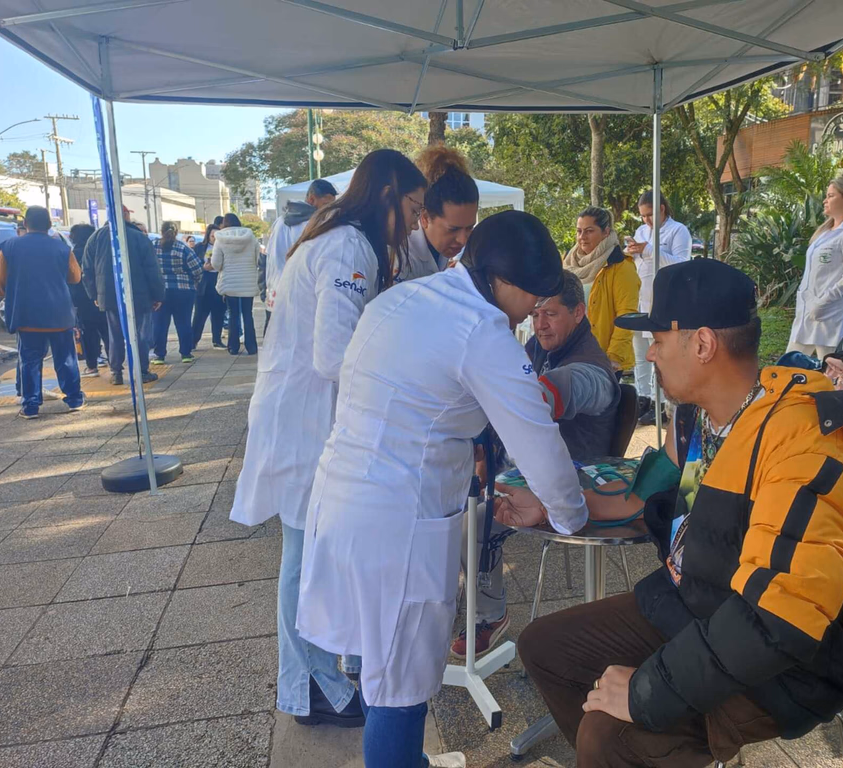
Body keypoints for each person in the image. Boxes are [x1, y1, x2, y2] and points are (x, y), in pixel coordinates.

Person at [516, 258, 843, 768]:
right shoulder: (696, 419)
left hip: (786, 665)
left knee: (610, 734)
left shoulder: (799, 446)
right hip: (695, 603)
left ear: (703, 344)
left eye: (659, 340)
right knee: (544, 648)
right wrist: (552, 505)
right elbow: (645, 499)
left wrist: (645, 691)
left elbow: (777, 620)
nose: (651, 353)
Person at [296, 211, 598, 768]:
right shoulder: (480, 330)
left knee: (380, 664)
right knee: (401, 685)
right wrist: (571, 515)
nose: (531, 311)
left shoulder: (403, 299)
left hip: (342, 500)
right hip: (399, 522)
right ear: (500, 280)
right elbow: (536, 438)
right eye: (530, 297)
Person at [229, 149, 427, 734]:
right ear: (388, 194)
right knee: (304, 558)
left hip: (303, 415)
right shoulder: (347, 247)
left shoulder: (338, 237)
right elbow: (335, 354)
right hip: (305, 421)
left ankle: (316, 679)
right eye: (413, 208)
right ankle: (313, 687)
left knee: (308, 554)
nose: (414, 222)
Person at [451, 269, 621, 659]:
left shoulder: (592, 368)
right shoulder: (541, 348)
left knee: (472, 521)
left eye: (551, 314)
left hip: (576, 486)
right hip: (525, 472)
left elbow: (554, 391)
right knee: (442, 493)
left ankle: (490, 614)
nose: (540, 324)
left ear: (578, 313)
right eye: (536, 314)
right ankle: (451, 599)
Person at [0, 206, 85, 419]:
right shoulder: (62, 248)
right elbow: (75, 277)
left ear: (25, 223)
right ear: (50, 225)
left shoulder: (9, 246)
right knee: (65, 358)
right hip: (59, 314)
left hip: (26, 314)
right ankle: (74, 399)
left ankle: (31, 406)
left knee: (30, 360)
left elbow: (1, 282)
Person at [626, 189, 692, 426]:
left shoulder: (678, 231)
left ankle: (660, 402)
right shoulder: (642, 231)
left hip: (664, 300)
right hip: (641, 297)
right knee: (640, 354)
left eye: (650, 214)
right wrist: (633, 251)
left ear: (662, 209)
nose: (646, 220)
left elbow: (682, 264)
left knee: (660, 355)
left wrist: (649, 250)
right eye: (643, 216)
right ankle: (643, 397)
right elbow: (639, 264)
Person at [787, 176, 843, 360]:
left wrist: (823, 302)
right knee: (789, 366)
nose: (825, 200)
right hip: (809, 311)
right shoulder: (825, 232)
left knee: (830, 369)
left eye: (831, 196)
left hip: (834, 312)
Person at [82, 205, 164, 386]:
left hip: (110, 296)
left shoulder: (96, 237)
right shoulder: (139, 237)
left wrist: (94, 294)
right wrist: (158, 295)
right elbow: (152, 269)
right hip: (139, 295)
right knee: (140, 334)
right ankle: (142, 371)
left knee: (115, 334)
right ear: (125, 215)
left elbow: (86, 269)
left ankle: (116, 372)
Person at [563, 207, 639, 375]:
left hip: (602, 358)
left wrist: (614, 356)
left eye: (589, 231)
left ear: (606, 232)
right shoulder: (567, 263)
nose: (582, 237)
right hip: (568, 353)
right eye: (579, 231)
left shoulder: (621, 267)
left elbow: (626, 316)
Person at [396, 144, 478, 282]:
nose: (463, 240)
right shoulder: (399, 258)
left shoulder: (442, 249)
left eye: (469, 228)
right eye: (453, 229)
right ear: (425, 218)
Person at [265, 179, 337, 324]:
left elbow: (268, 258)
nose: (329, 210)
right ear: (312, 199)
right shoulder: (312, 226)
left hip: (274, 294)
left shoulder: (280, 221)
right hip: (296, 299)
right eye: (326, 205)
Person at [151, 221, 204, 364]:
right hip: (183, 291)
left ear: (161, 231)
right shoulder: (183, 248)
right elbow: (198, 269)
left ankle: (159, 355)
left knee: (159, 323)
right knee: (183, 322)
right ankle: (186, 353)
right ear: (176, 233)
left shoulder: (153, 246)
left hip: (160, 290)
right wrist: (194, 281)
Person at [211, 212, 260, 356]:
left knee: (233, 314)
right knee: (248, 314)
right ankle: (251, 346)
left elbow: (216, 264)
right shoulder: (251, 238)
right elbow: (258, 260)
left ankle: (233, 347)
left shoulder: (220, 239)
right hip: (248, 281)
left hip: (229, 282)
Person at [68, 224, 110, 378]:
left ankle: (92, 366)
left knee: (89, 333)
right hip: (102, 296)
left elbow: (71, 278)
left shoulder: (74, 254)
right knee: (108, 331)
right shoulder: (99, 251)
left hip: (82, 299)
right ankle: (115, 365)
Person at [191, 224, 225, 350]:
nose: (214, 239)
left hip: (218, 281)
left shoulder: (223, 247)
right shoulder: (199, 247)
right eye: (212, 236)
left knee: (218, 313)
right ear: (208, 236)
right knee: (199, 315)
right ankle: (193, 340)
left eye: (217, 236)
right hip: (203, 283)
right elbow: (193, 264)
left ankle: (217, 340)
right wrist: (203, 267)